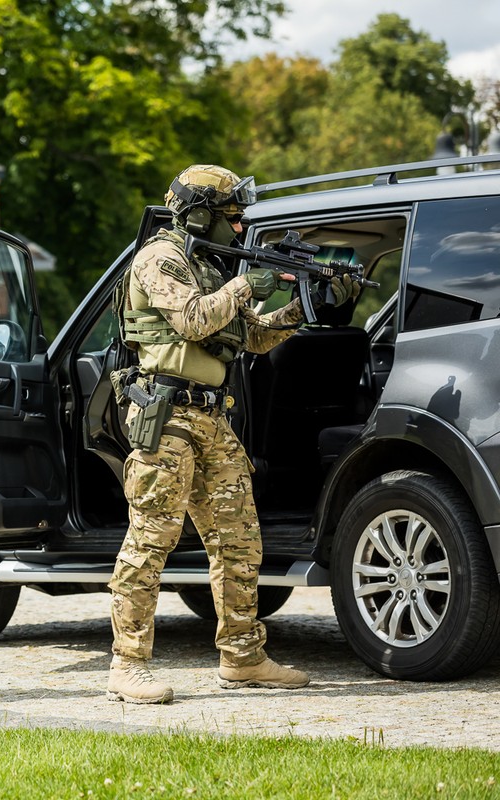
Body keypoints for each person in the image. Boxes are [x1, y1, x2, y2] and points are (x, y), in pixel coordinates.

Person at [107, 164, 360, 704]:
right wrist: (249, 283)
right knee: (151, 541)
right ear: (200, 213)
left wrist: (309, 305)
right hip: (166, 416)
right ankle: (127, 664)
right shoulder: (161, 258)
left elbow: (252, 337)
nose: (240, 224)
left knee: (240, 539)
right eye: (231, 214)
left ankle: (243, 657)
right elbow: (194, 322)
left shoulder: (206, 265)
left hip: (210, 418)